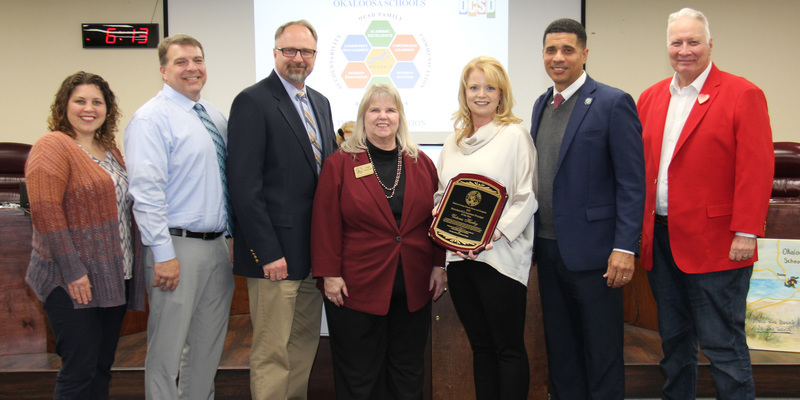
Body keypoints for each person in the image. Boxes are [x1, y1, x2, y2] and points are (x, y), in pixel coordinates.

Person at [637, 8, 774, 399]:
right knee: (674, 345)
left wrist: (746, 231)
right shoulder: (650, 98)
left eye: (693, 41)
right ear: (667, 47)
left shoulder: (742, 94)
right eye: (676, 42)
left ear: (710, 45)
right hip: (661, 243)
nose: (684, 50)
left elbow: (757, 169)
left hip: (719, 244)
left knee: (722, 347)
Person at [529, 18, 645, 400]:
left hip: (597, 254)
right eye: (551, 50)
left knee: (601, 351)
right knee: (561, 350)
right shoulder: (541, 104)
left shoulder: (613, 102)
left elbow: (631, 181)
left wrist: (625, 247)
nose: (558, 57)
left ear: (584, 54)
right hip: (547, 250)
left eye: (567, 50)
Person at [311, 83, 446, 399]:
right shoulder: (340, 164)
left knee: (408, 372)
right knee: (359, 376)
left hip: (413, 287)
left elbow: (434, 219)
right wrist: (329, 275)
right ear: (363, 117)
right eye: (374, 109)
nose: (382, 116)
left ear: (400, 116)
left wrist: (439, 265)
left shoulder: (420, 162)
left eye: (390, 109)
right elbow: (325, 223)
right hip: (356, 288)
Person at [226, 20, 337, 400]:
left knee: (303, 346)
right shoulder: (252, 101)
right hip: (274, 259)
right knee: (272, 352)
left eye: (305, 51)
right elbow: (244, 188)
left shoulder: (320, 103)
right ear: (275, 53)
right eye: (289, 50)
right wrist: (268, 253)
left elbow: (326, 178)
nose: (297, 58)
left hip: (312, 255)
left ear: (315, 57)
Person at [124, 34, 235, 399]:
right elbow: (146, 192)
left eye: (197, 60)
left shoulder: (214, 116)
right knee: (167, 351)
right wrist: (163, 254)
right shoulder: (151, 119)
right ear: (163, 70)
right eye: (181, 62)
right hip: (174, 248)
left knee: (207, 348)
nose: (192, 68)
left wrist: (230, 238)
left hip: (217, 247)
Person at [25, 71, 145, 399]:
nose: (88, 108)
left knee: (101, 367)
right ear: (64, 105)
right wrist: (74, 272)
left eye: (97, 101)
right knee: (78, 371)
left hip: (111, 278)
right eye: (80, 100)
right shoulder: (53, 146)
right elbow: (46, 213)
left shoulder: (110, 149)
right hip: (71, 283)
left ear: (108, 109)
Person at [434, 56, 537, 400]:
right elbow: (441, 195)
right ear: (464, 93)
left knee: (507, 347)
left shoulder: (515, 136)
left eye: (489, 87)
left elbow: (527, 197)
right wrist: (442, 220)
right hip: (459, 260)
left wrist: (491, 234)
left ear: (501, 93)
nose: (481, 94)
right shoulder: (452, 142)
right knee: (481, 347)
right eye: (474, 87)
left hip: (500, 259)